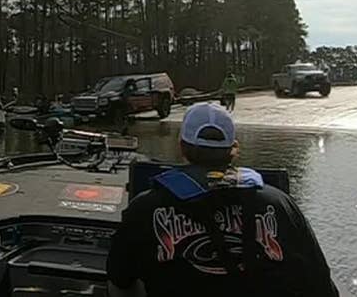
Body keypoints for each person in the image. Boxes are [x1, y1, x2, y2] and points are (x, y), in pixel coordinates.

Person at [106, 103, 339, 297]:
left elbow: (119, 280)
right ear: (233, 148)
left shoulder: (146, 208)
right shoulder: (280, 204)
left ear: (182, 147)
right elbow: (321, 286)